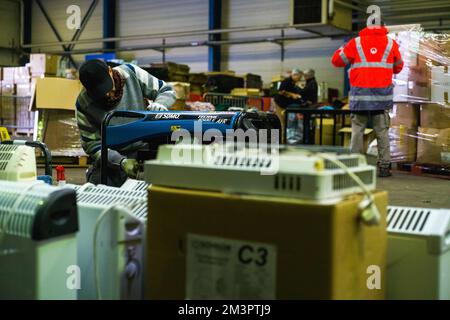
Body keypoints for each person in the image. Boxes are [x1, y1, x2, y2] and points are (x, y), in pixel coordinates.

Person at [76, 59, 176, 186]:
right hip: (111, 158)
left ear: (110, 71)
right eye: (100, 93)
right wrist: (120, 162)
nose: (107, 94)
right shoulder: (83, 104)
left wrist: (160, 104)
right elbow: (92, 144)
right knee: (98, 187)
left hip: (143, 149)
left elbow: (167, 90)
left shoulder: (131, 73)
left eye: (108, 87)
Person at [331, 23, 403, 177]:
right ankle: (384, 167)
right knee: (382, 132)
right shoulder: (391, 43)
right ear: (382, 27)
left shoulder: (355, 42)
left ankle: (355, 165)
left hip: (360, 98)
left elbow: (337, 61)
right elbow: (398, 67)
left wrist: (341, 49)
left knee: (357, 132)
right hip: (381, 97)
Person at [274, 69, 303, 144]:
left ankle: (284, 141)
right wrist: (292, 95)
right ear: (294, 75)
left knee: (286, 123)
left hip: (286, 105)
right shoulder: (286, 81)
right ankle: (281, 142)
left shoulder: (294, 83)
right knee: (282, 123)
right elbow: (281, 91)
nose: (299, 79)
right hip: (280, 104)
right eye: (299, 77)